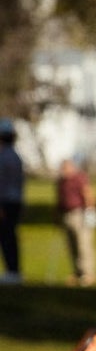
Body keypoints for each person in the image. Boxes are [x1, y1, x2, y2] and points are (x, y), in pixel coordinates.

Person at [55, 158, 96, 286]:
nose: (64, 171)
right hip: (65, 215)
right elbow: (59, 199)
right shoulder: (61, 182)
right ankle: (77, 272)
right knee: (71, 245)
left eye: (66, 168)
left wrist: (91, 211)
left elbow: (89, 194)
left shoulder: (79, 178)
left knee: (83, 245)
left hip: (80, 214)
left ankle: (88, 273)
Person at [0, 118, 24, 284]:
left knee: (7, 236)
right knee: (9, 235)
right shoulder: (16, 156)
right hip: (15, 201)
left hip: (6, 202)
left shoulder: (4, 157)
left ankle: (13, 271)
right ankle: (13, 270)